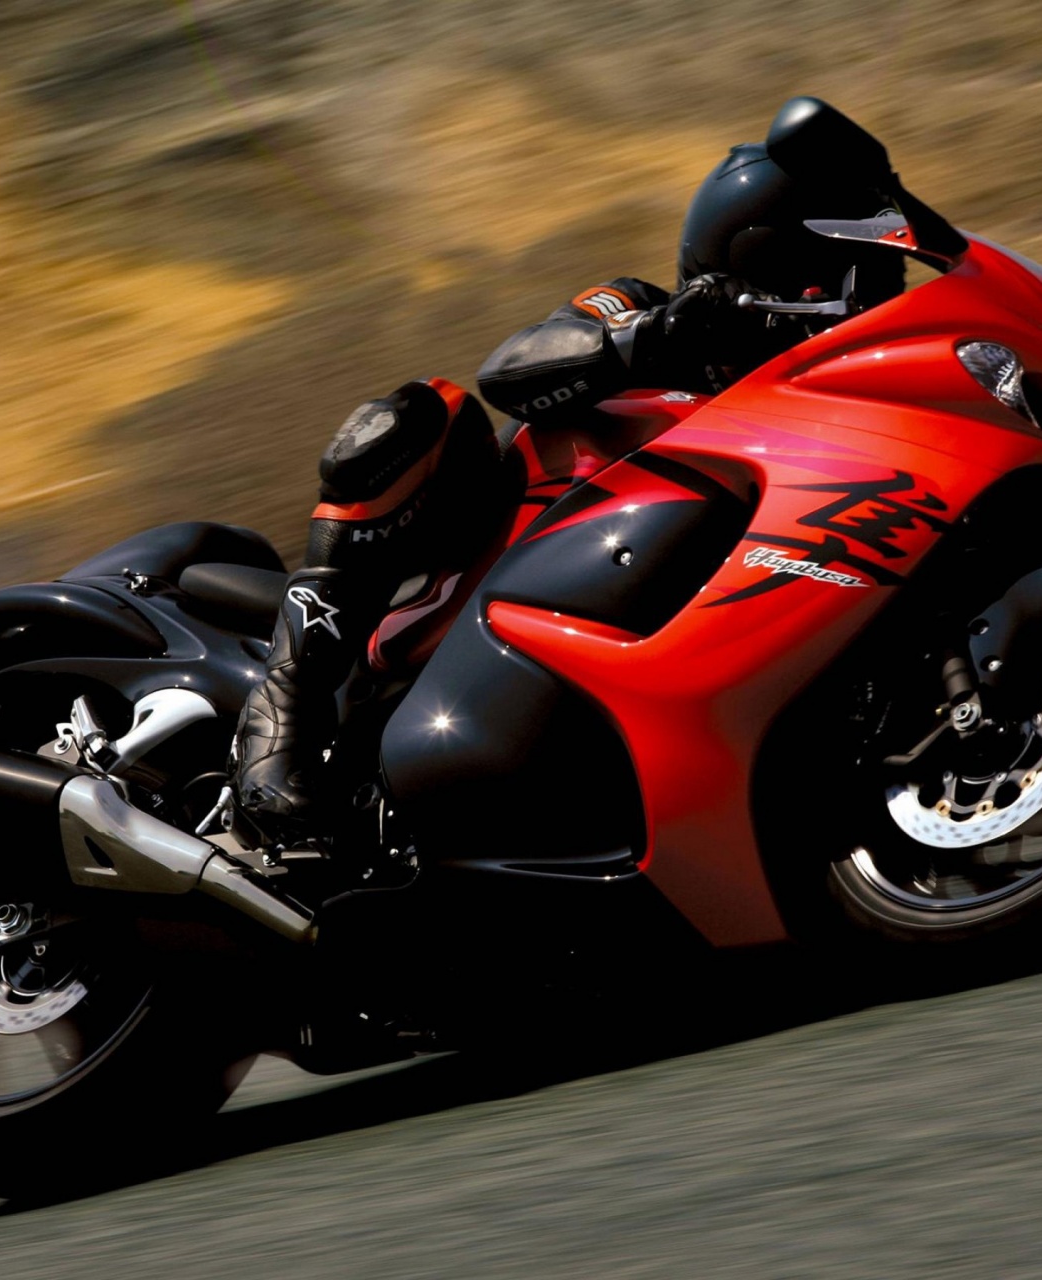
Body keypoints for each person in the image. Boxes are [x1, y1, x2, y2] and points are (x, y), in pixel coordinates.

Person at [233, 95, 910, 831]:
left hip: (651, 658)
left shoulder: (828, 409)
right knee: (429, 411)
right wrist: (654, 337)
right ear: (757, 257)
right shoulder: (633, 305)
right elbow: (511, 370)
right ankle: (282, 716)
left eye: (873, 280)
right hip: (462, 604)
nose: (863, 299)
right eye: (841, 276)